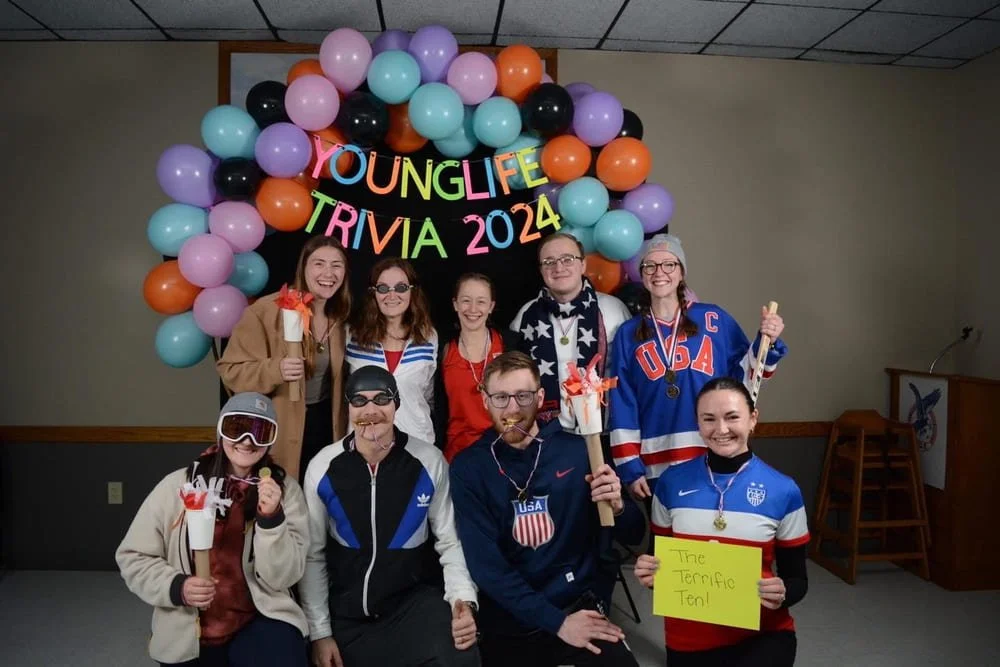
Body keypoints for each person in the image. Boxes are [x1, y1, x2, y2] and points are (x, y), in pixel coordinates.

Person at [450, 351, 645, 667]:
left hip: (577, 606)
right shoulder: (469, 468)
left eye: (523, 396)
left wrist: (619, 506)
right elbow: (487, 569)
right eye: (500, 397)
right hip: (511, 618)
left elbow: (634, 534)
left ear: (540, 398)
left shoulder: (579, 451)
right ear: (485, 400)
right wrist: (558, 623)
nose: (512, 408)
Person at [300, 366, 480, 667]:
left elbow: (450, 542)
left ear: (396, 404)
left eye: (382, 399)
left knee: (462, 648)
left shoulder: (429, 461)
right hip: (346, 614)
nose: (370, 410)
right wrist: (320, 633)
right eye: (359, 400)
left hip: (411, 609)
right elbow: (312, 555)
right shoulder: (323, 467)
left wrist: (462, 598)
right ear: (348, 407)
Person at [116, 392, 309, 666]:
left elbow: (283, 577)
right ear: (220, 431)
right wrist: (177, 586)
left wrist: (271, 520)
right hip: (189, 626)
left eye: (260, 432)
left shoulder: (286, 492)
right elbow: (132, 557)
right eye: (237, 428)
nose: (247, 441)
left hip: (259, 616)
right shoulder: (177, 486)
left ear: (270, 440)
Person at [634, 377, 809, 667]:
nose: (721, 429)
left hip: (761, 634)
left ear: (753, 419)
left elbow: (798, 580)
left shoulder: (784, 490)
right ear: (698, 423)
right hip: (688, 640)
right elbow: (660, 564)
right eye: (709, 419)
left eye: (732, 417)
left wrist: (784, 593)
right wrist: (649, 574)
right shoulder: (670, 484)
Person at [608, 233, 787, 501]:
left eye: (669, 264)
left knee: (716, 524)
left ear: (681, 272)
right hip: (656, 460)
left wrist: (767, 342)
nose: (659, 272)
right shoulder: (628, 333)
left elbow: (744, 377)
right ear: (642, 274)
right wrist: (629, 466)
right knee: (666, 529)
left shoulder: (713, 318)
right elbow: (623, 400)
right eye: (650, 265)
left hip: (714, 449)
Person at [218, 235, 352, 480]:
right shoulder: (266, 311)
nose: (328, 273)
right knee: (281, 496)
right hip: (278, 430)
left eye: (337, 265)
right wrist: (276, 370)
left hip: (326, 431)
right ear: (303, 267)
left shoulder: (341, 319)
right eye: (319, 263)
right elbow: (230, 371)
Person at [510, 232, 631, 431]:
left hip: (601, 434)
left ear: (583, 264)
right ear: (541, 270)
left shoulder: (614, 310)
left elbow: (630, 377)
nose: (558, 268)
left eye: (567, 259)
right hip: (544, 436)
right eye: (549, 262)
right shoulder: (525, 316)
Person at [346, 258, 437, 444]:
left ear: (412, 291)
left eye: (401, 287)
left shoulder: (428, 337)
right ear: (373, 293)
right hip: (364, 444)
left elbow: (428, 394)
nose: (392, 295)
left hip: (416, 443)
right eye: (383, 288)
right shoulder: (352, 336)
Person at [437, 272, 519, 462]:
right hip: (457, 456)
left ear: (491, 306)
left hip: (505, 454)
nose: (473, 309)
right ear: (455, 304)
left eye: (481, 301)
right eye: (466, 300)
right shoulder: (442, 349)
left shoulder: (510, 344)